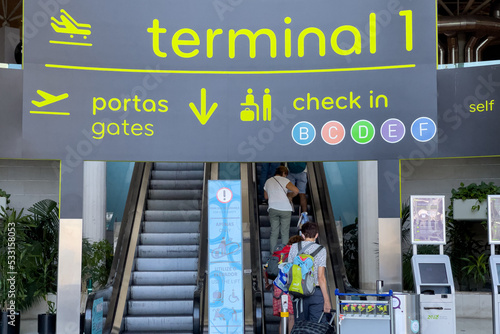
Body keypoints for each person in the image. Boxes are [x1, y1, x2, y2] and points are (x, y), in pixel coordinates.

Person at [287, 222, 331, 324]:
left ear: (302, 235)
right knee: (316, 326)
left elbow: (289, 270)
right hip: (315, 292)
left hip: (298, 292)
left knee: (301, 326)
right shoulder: (321, 250)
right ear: (316, 235)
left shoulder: (294, 247)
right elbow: (321, 277)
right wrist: (327, 300)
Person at [264, 166, 299, 253]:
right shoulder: (285, 180)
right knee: (284, 232)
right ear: (283, 173)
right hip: (285, 209)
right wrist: (290, 196)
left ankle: (273, 255)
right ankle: (285, 255)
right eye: (285, 175)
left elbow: (266, 197)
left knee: (274, 232)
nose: (286, 176)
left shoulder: (268, 181)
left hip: (273, 208)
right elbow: (296, 191)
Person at [272, 235, 302, 334]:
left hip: (278, 285)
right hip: (287, 287)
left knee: (283, 317)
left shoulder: (281, 251)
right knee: (291, 317)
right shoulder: (295, 253)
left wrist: (267, 283)